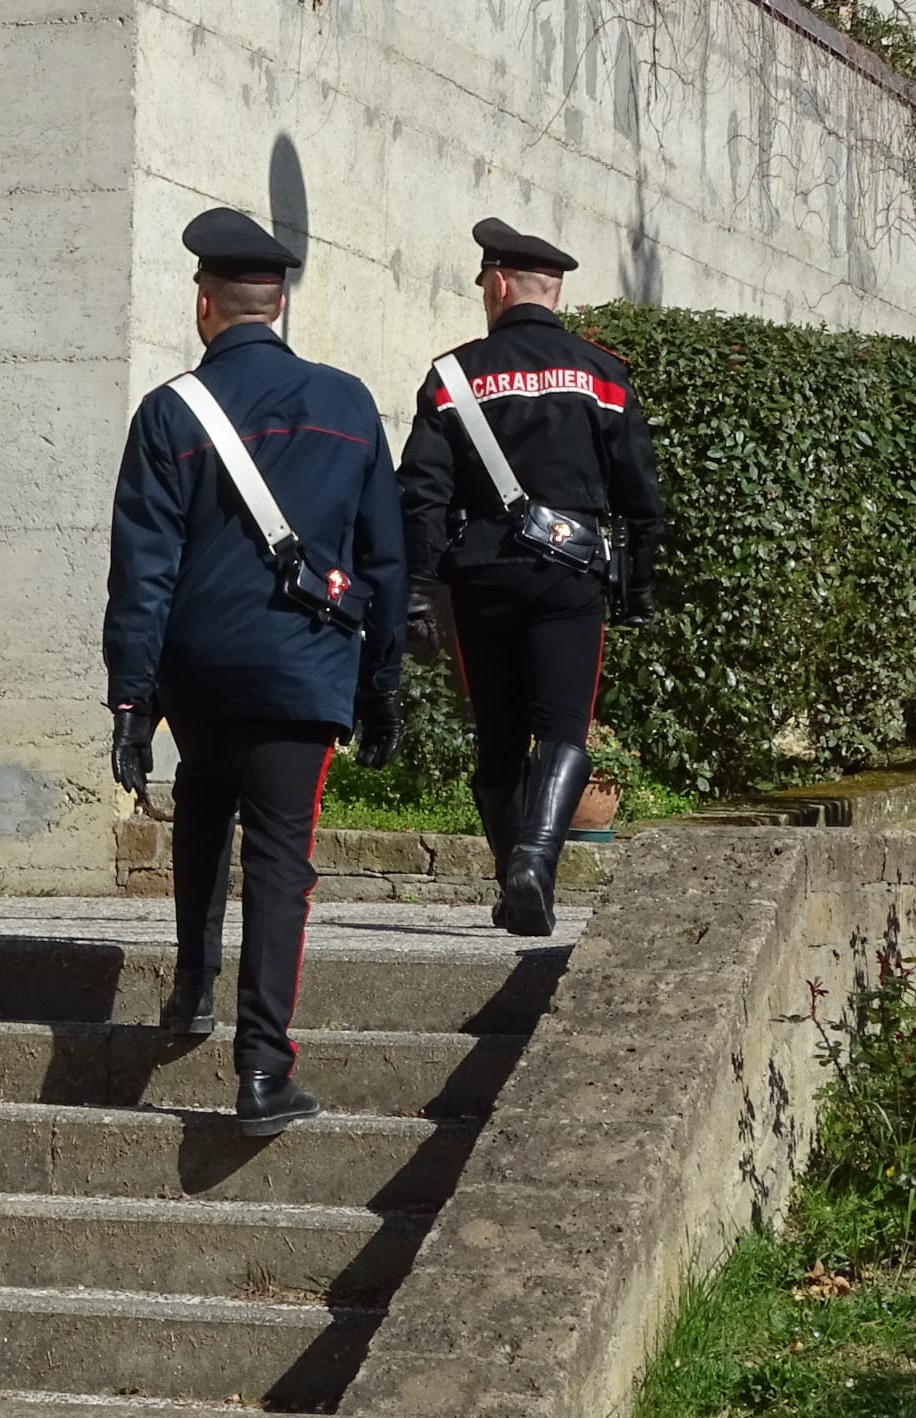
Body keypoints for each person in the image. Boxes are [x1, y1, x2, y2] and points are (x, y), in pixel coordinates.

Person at [102, 207, 408, 1138]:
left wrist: (132, 697)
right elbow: (388, 560)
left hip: (198, 670)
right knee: (281, 860)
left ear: (206, 306)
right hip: (304, 668)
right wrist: (382, 682)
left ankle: (193, 985)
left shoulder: (168, 412)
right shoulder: (350, 404)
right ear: (279, 303)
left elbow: (142, 567)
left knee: (202, 796)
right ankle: (264, 1070)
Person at [397, 218, 664, 938]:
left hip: (481, 578)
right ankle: (534, 865)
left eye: (486, 283)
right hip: (570, 579)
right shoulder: (602, 374)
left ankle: (514, 872)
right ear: (554, 294)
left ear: (502, 284)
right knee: (564, 729)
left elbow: (420, 491)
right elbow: (640, 494)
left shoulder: (453, 376)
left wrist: (420, 586)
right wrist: (635, 589)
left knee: (498, 739)